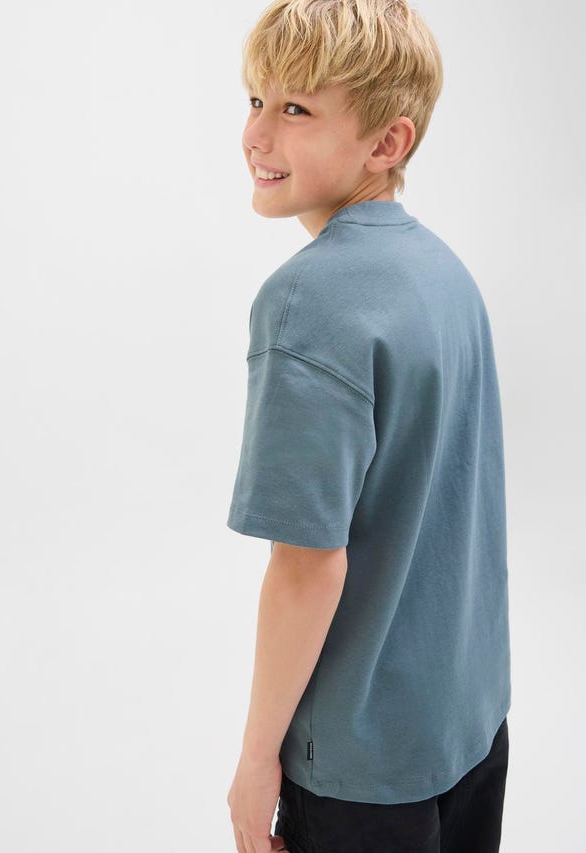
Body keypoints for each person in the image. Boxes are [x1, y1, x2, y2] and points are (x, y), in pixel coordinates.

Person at [225, 1, 511, 851]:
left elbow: (306, 566)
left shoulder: (307, 303)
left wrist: (255, 761)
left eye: (296, 108)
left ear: (388, 142)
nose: (256, 134)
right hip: (471, 724)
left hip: (363, 768)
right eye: (255, 100)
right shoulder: (444, 272)